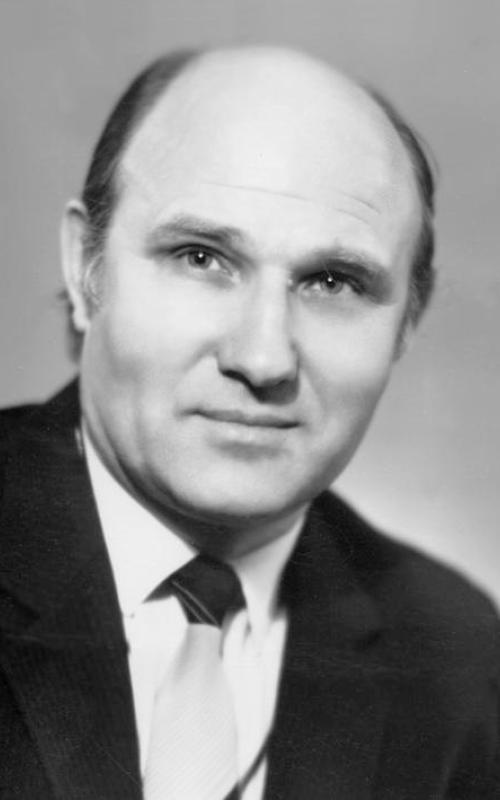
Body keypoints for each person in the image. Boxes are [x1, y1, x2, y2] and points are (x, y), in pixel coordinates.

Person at [0, 45, 498, 800]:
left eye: (333, 281)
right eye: (200, 257)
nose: (263, 358)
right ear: (83, 268)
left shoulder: (457, 657)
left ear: (408, 322)